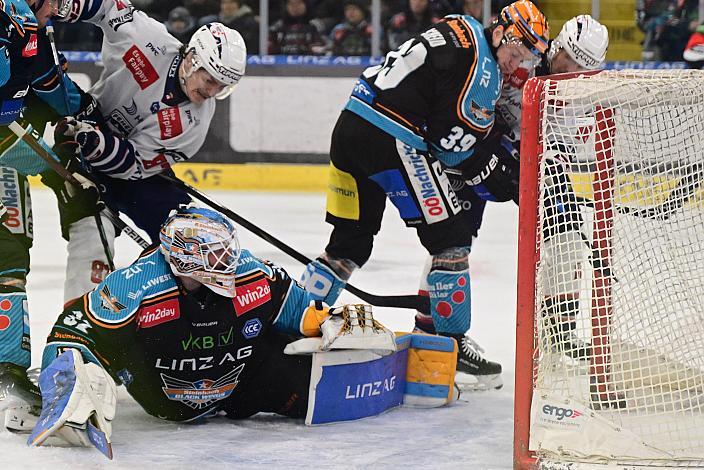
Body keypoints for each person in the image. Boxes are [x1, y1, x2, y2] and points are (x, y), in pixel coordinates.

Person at [26, 207, 454, 453]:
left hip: (242, 380)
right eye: (216, 263)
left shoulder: (250, 273)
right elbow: (71, 329)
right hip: (164, 397)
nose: (228, 269)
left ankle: (392, 380)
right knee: (98, 351)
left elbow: (302, 311)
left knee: (298, 354)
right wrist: (67, 379)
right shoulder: (136, 285)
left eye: (228, 257)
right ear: (184, 262)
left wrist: (328, 323)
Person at [300, 0, 549, 390]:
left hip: (350, 124)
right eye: (514, 54)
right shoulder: (483, 70)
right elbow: (450, 147)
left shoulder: (460, 27)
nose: (513, 65)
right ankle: (446, 352)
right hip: (390, 137)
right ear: (501, 32)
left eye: (523, 60)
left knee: (347, 245)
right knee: (451, 240)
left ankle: (292, 320)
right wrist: (497, 173)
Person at [48, 0, 246, 303]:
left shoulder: (194, 123)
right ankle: (78, 328)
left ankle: (199, 310)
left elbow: (135, 164)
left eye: (222, 87)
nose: (212, 92)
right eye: (210, 81)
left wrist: (100, 145)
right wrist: (65, 5)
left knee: (188, 236)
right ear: (193, 59)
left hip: (130, 172)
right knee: (92, 236)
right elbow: (109, 9)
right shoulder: (148, 40)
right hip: (80, 148)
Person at [446, 14, 609, 359]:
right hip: (482, 151)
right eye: (570, 61)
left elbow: (563, 146)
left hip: (531, 162)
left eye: (583, 69)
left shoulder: (584, 92)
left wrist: (541, 162)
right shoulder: (522, 58)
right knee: (451, 237)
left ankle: (560, 333)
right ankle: (442, 335)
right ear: (559, 47)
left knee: (566, 237)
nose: (572, 73)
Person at [0, 0, 100, 419]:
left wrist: (87, 114)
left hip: (6, 156)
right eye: (53, 1)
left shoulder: (31, 30)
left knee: (11, 255)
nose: (58, 9)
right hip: (5, 152)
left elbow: (50, 88)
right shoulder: (13, 24)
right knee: (8, 254)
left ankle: (8, 365)